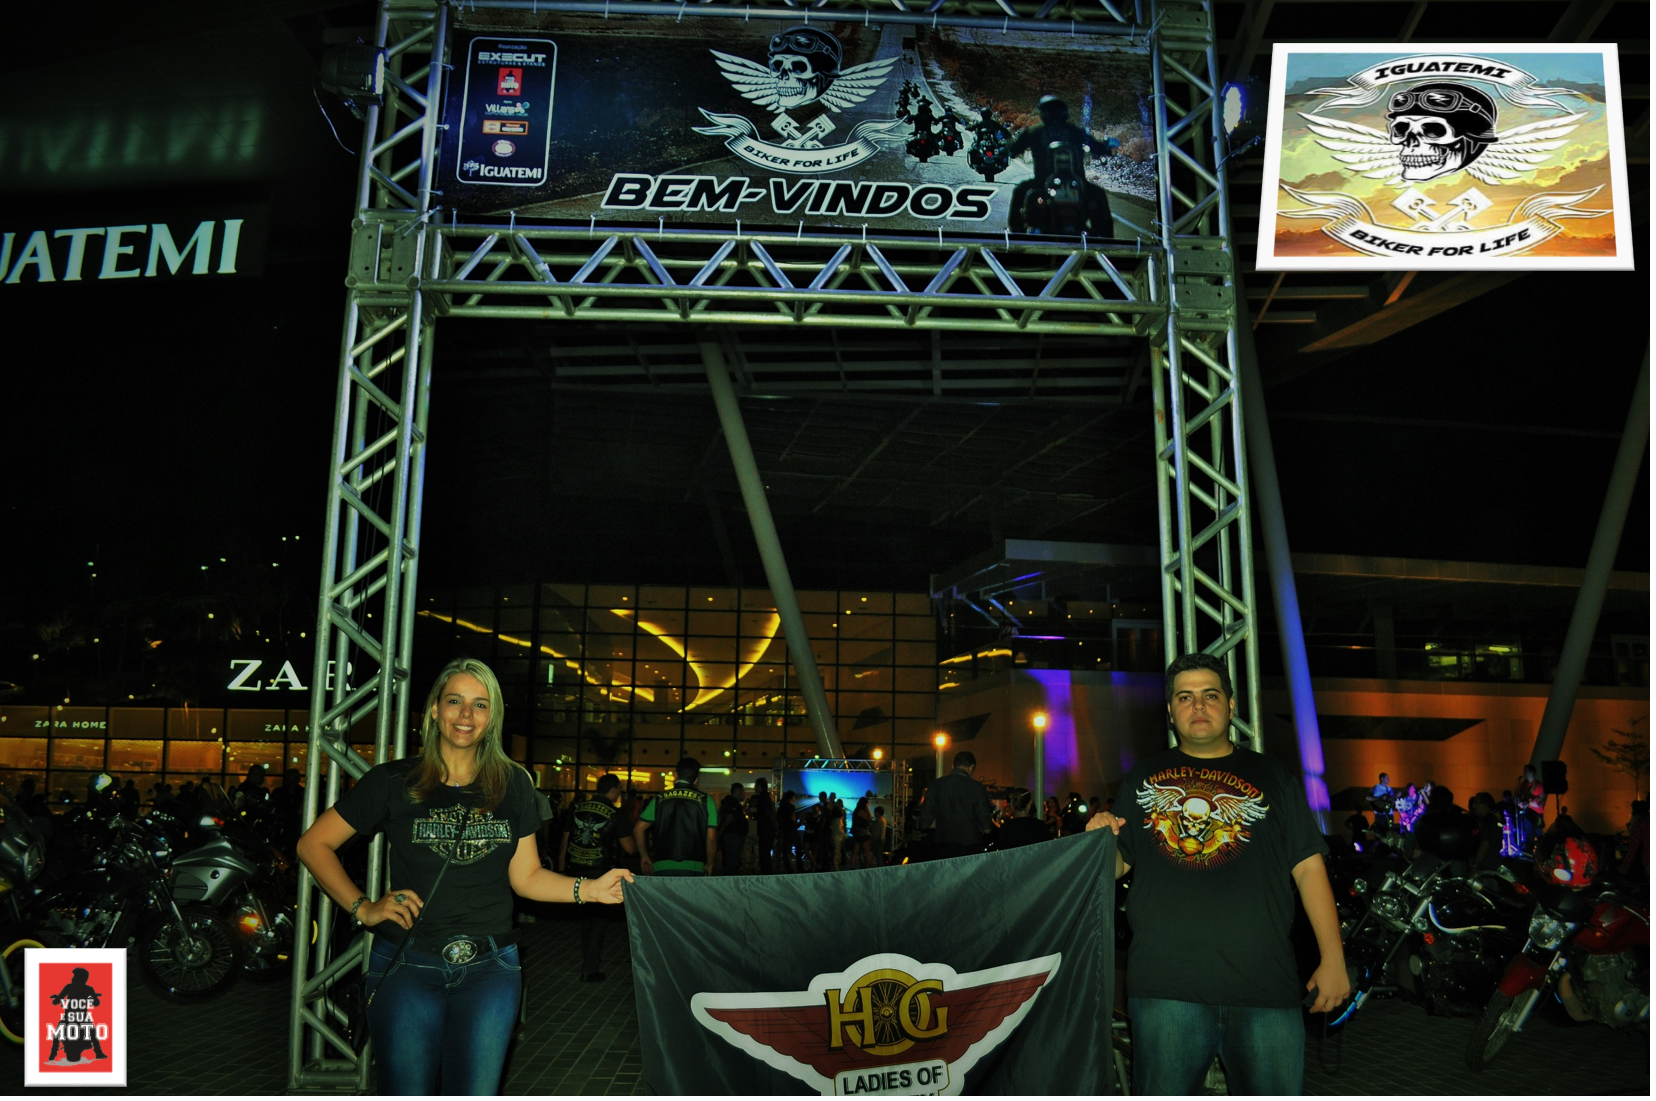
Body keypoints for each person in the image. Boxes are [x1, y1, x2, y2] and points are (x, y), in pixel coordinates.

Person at [295, 657, 629, 1096]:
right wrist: (364, 908)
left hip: (491, 970)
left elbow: (527, 877)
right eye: (454, 701)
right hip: (408, 965)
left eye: (480, 704)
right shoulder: (393, 780)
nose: (466, 715)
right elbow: (313, 845)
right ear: (435, 709)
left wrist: (591, 889)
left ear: (493, 717)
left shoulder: (513, 783)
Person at [1088, 653, 1348, 1096]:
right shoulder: (1143, 778)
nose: (1198, 705)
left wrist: (1334, 958)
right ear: (1170, 711)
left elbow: (1308, 868)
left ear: (1231, 705)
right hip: (1166, 987)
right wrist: (1097, 841)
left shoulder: (1274, 777)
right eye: (1184, 697)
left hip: (1265, 986)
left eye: (1210, 695)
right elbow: (1116, 867)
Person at [557, 774, 637, 982]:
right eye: (619, 790)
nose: (619, 794)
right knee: (597, 922)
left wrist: (561, 869)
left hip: (576, 870)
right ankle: (590, 968)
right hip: (600, 873)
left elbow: (565, 840)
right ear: (613, 790)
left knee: (586, 919)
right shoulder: (616, 813)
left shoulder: (577, 808)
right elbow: (629, 847)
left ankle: (588, 962)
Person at [1007, 95, 1116, 234]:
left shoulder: (1034, 131)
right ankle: (1106, 241)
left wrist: (1009, 149)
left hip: (1043, 181)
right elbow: (1097, 147)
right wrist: (1105, 148)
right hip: (1075, 181)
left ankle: (1017, 235)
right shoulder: (1075, 131)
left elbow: (1014, 149)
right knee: (1098, 195)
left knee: (1020, 191)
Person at [633, 758, 717, 877]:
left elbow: (638, 829)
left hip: (661, 866)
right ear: (696, 780)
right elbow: (711, 839)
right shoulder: (706, 800)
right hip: (694, 867)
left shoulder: (659, 799)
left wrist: (644, 857)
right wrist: (710, 863)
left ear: (675, 775)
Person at [919, 751, 993, 859]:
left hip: (943, 848)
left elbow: (925, 822)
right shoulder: (977, 788)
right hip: (969, 849)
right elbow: (986, 828)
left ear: (953, 765)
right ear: (971, 767)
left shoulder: (935, 785)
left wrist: (945, 824)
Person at [717, 783, 749, 875]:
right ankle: (730, 876)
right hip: (733, 834)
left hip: (733, 834)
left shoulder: (732, 802)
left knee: (732, 857)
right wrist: (722, 830)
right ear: (737, 791)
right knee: (732, 858)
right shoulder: (732, 802)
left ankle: (730, 874)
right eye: (741, 791)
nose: (742, 793)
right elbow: (730, 817)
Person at [1468, 792, 1502, 871]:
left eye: (1476, 803)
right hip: (1494, 864)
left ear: (1484, 805)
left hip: (1485, 866)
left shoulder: (1486, 821)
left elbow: (1484, 845)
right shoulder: (1493, 819)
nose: (1473, 806)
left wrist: (1475, 865)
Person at [752, 777, 776, 875]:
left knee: (764, 855)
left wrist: (754, 814)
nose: (754, 787)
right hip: (768, 830)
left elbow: (763, 813)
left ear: (760, 786)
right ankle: (767, 874)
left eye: (756, 785)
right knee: (765, 854)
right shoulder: (768, 797)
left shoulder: (762, 797)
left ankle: (766, 875)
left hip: (765, 830)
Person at [776, 790, 799, 872]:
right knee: (789, 849)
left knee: (782, 849)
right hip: (790, 829)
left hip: (783, 829)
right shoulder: (791, 807)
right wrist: (798, 823)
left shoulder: (782, 807)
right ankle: (788, 867)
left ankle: (778, 867)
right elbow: (793, 818)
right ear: (792, 797)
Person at [851, 796, 874, 869]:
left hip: (856, 833)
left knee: (855, 851)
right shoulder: (861, 811)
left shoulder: (856, 810)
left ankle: (852, 867)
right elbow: (869, 818)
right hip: (863, 833)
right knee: (867, 851)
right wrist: (867, 808)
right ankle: (870, 866)